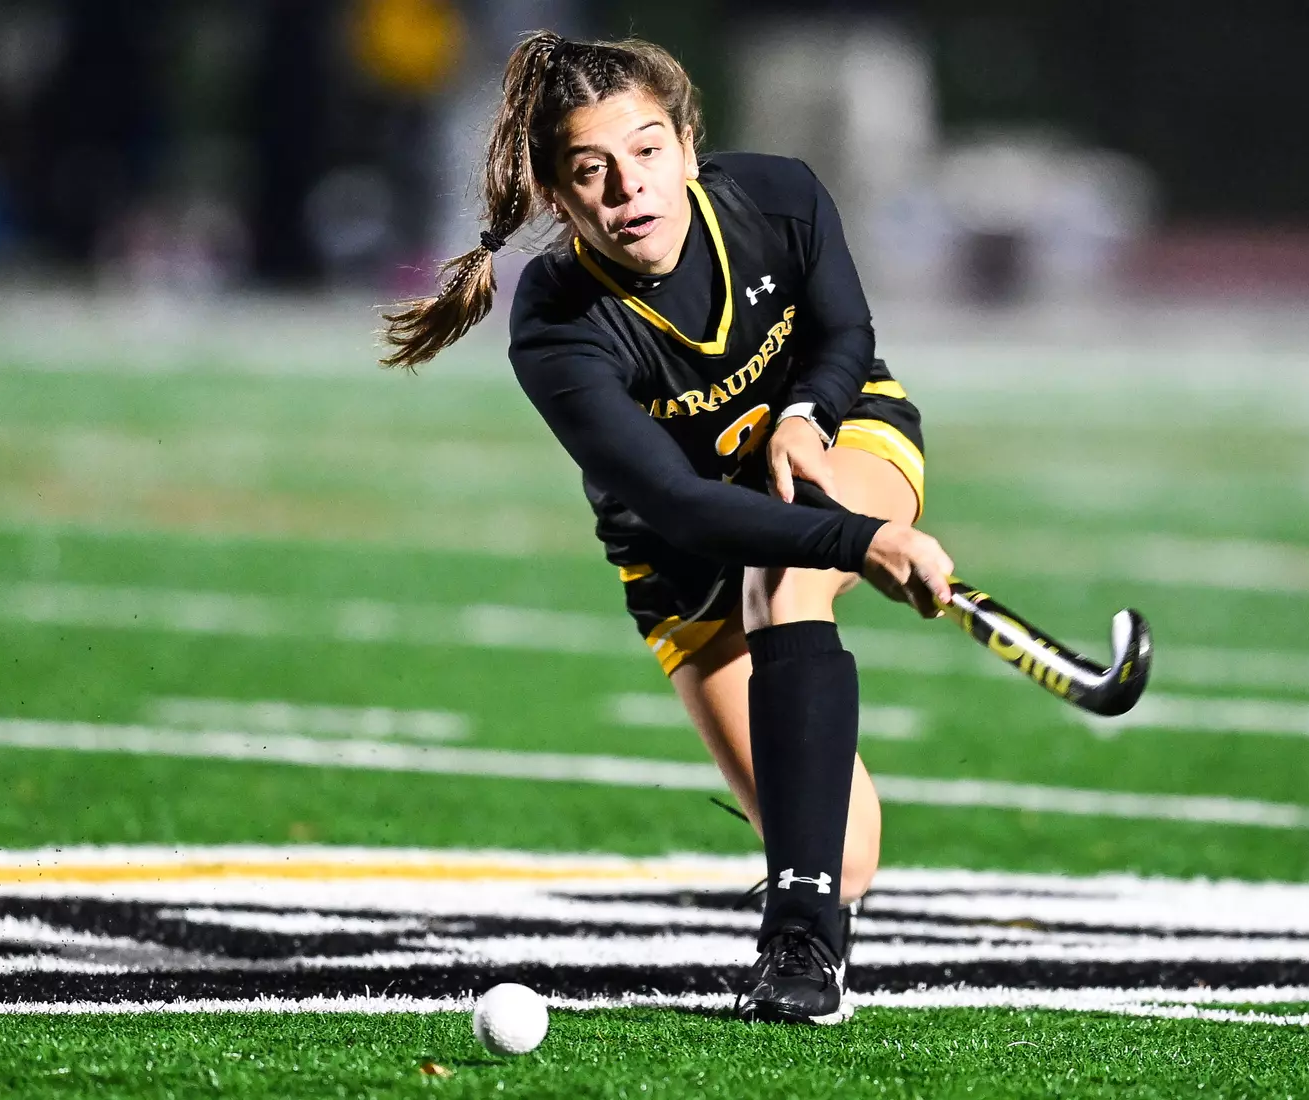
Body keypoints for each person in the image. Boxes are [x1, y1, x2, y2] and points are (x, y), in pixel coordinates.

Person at [381, 30, 955, 1025]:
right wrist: (863, 542)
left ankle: (800, 949)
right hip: (683, 554)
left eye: (647, 151)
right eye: (591, 172)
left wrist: (805, 416)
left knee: (782, 585)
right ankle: (808, 849)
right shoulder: (558, 327)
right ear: (558, 199)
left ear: (689, 144)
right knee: (844, 844)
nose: (628, 188)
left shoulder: (778, 198)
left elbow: (845, 334)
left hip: (841, 439)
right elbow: (683, 504)